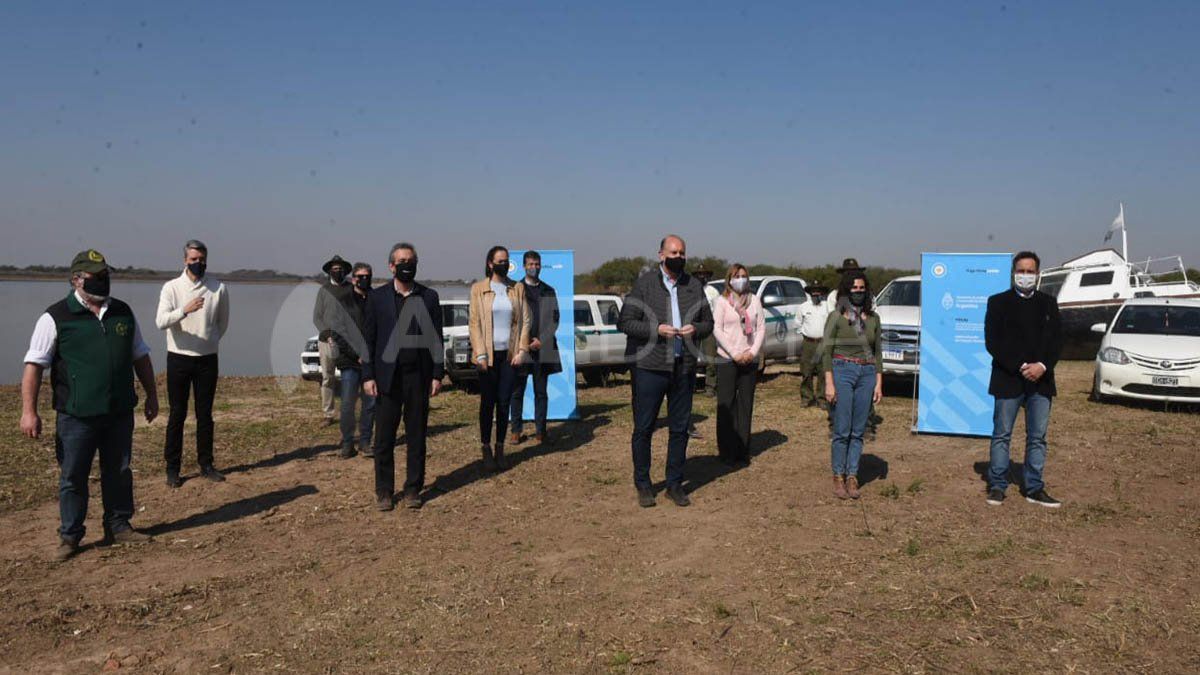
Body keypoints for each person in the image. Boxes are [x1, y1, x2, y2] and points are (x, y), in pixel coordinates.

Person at [20, 250, 159, 561]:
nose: (103, 280)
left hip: (118, 412)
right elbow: (34, 366)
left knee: (119, 471)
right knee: (73, 475)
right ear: (76, 280)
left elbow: (140, 355)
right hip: (76, 417)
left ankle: (118, 525)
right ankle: (70, 535)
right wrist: (29, 411)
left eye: (106, 274)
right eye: (96, 276)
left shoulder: (122, 312)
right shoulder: (55, 317)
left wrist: (152, 394)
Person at [617, 234, 714, 508]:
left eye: (682, 253)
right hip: (649, 367)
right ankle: (643, 484)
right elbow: (625, 322)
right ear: (661, 255)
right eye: (674, 253)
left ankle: (674, 484)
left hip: (683, 366)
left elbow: (709, 322)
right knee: (644, 428)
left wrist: (696, 328)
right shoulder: (645, 284)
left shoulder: (693, 285)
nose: (679, 257)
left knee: (680, 429)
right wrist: (656, 329)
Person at [362, 243, 444, 511]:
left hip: (418, 377)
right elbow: (368, 340)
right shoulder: (377, 298)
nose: (406, 265)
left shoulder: (429, 297)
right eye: (401, 261)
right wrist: (368, 375)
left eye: (411, 260)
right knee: (384, 438)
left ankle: (412, 489)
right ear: (391, 266)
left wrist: (437, 374)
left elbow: (437, 339)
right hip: (387, 378)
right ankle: (384, 491)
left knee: (416, 436)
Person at [984, 251, 1063, 508]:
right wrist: (1020, 366)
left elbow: (1057, 341)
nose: (1025, 276)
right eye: (1021, 271)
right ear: (1013, 273)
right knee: (1002, 434)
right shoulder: (997, 302)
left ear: (1037, 274)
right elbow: (993, 342)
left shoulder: (1049, 303)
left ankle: (1034, 487)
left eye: (1030, 271)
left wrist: (1042, 366)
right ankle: (997, 485)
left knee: (1037, 437)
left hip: (1041, 381)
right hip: (1008, 379)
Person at [155, 239, 230, 487]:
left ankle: (206, 464)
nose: (198, 263)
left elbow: (222, 323)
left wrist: (209, 341)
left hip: (207, 359)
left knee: (205, 414)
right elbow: (161, 321)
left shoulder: (218, 288)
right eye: (193, 259)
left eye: (202, 259)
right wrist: (184, 310)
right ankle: (172, 468)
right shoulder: (171, 288)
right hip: (178, 357)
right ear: (185, 260)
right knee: (177, 414)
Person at [469, 246, 531, 473]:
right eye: (500, 261)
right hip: (487, 357)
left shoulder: (517, 288)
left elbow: (525, 321)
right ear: (490, 263)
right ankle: (485, 446)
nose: (504, 264)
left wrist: (522, 350)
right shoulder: (478, 289)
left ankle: (500, 447)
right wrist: (480, 354)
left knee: (504, 402)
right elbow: (474, 323)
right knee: (488, 403)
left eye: (506, 260)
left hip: (509, 356)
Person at [823, 271, 883, 500]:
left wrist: (878, 382)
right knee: (842, 428)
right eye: (854, 288)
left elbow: (878, 353)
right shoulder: (836, 317)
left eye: (862, 288)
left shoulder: (874, 318)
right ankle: (838, 475)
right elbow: (826, 352)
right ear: (846, 291)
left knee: (858, 430)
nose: (858, 292)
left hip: (867, 374)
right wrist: (829, 383)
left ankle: (852, 475)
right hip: (842, 371)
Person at [711, 264, 766, 467]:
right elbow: (717, 330)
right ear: (729, 279)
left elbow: (760, 328)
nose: (740, 279)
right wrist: (734, 353)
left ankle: (743, 449)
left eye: (743, 276)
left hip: (749, 359)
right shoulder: (722, 302)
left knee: (745, 404)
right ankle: (726, 451)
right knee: (727, 404)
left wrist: (752, 352)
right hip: (727, 358)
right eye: (736, 276)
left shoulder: (754, 301)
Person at [509, 250, 561, 445]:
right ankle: (516, 431)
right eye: (530, 264)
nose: (534, 267)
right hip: (521, 349)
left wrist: (542, 340)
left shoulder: (548, 290)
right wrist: (523, 342)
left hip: (542, 348)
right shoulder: (516, 289)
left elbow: (555, 319)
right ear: (524, 266)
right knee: (517, 392)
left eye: (537, 264)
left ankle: (541, 431)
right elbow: (511, 319)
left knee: (541, 392)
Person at [332, 262, 376, 459]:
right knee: (348, 404)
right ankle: (348, 443)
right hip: (350, 361)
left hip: (371, 362)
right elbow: (338, 332)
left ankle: (365, 441)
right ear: (353, 278)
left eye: (367, 276)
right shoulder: (343, 301)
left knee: (370, 404)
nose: (363, 280)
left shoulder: (377, 299)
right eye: (360, 276)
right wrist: (355, 354)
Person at [313, 254, 351, 424]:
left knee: (349, 377)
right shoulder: (323, 290)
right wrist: (327, 335)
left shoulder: (351, 289)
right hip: (327, 341)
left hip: (347, 341)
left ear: (345, 271)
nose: (337, 271)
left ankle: (348, 412)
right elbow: (317, 317)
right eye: (335, 269)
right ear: (329, 271)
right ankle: (328, 414)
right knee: (328, 378)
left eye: (340, 269)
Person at [796, 284, 831, 409]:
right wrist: (806, 335)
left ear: (822, 293)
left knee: (823, 372)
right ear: (810, 293)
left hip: (823, 343)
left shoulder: (828, 306)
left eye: (818, 291)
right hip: (808, 344)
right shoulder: (803, 307)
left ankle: (822, 399)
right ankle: (807, 397)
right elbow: (798, 324)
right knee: (806, 372)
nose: (816, 293)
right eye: (813, 291)